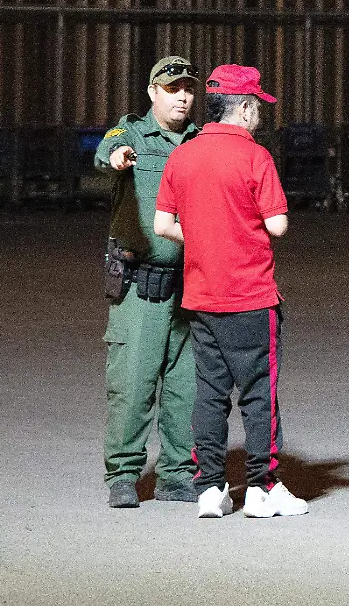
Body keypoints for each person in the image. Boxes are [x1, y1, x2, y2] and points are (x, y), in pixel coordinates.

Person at [152, 65, 308, 519]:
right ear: (242, 108)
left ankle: (211, 488)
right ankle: (261, 487)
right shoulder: (255, 157)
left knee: (210, 393)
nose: (260, 113)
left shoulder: (183, 155)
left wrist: (204, 233)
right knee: (260, 394)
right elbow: (277, 225)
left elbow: (163, 226)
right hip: (252, 297)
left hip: (201, 298)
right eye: (257, 105)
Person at [95, 56, 203, 509]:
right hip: (140, 285)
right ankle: (123, 474)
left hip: (192, 284)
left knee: (186, 386)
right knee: (133, 383)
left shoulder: (201, 142)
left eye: (188, 88)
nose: (182, 96)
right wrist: (117, 158)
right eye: (172, 87)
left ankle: (177, 474)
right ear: (152, 92)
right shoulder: (131, 133)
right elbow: (105, 153)